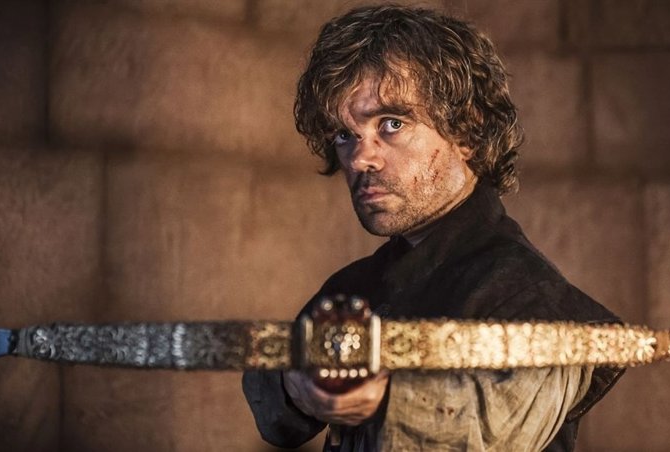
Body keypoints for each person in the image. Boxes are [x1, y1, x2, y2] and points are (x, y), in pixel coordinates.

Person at [243, 5, 622, 451]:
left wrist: (372, 395)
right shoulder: (356, 287)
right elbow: (277, 419)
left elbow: (484, 432)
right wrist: (297, 382)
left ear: (467, 133)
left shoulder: (527, 295)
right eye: (346, 135)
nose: (360, 159)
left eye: (392, 124)